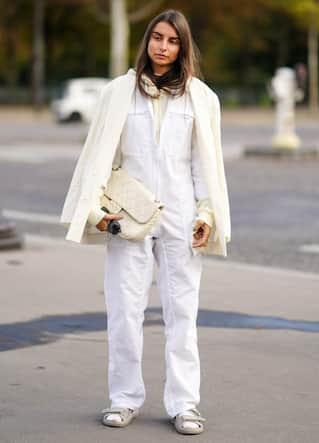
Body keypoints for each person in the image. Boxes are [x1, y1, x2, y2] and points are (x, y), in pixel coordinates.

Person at [60, 9, 230, 435]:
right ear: (147, 41)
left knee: (182, 313)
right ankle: (123, 398)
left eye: (172, 40)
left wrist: (206, 214)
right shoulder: (119, 92)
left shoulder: (201, 98)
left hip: (181, 216)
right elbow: (101, 156)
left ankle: (184, 404)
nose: (163, 46)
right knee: (123, 311)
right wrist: (98, 213)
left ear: (183, 47)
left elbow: (205, 166)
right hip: (129, 216)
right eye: (157, 37)